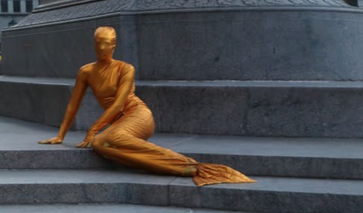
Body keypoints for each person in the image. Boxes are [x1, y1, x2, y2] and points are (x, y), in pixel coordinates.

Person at [39, 26, 254, 187]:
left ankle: (188, 165)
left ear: (114, 45)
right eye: (99, 43)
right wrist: (61, 135)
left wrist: (94, 128)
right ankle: (178, 167)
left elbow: (119, 103)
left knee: (102, 140)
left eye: (107, 43)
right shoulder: (86, 71)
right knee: (102, 145)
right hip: (119, 123)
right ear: (94, 44)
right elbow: (73, 105)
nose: (103, 48)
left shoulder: (126, 68)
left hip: (138, 116)